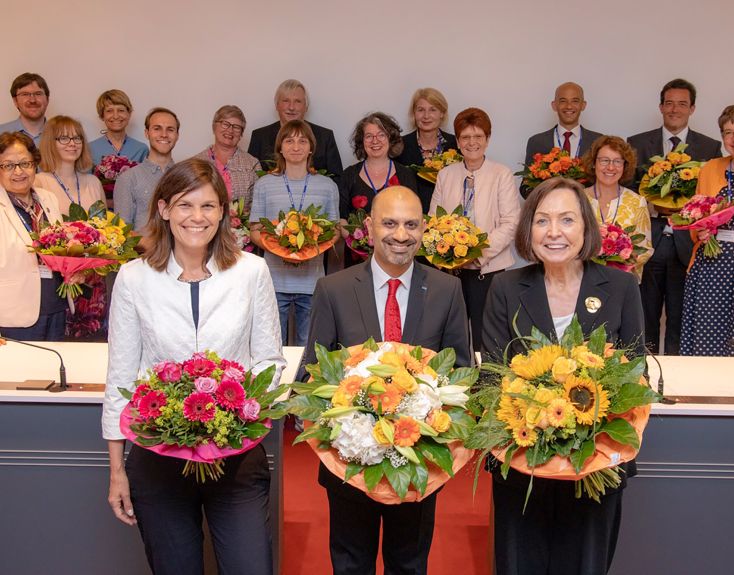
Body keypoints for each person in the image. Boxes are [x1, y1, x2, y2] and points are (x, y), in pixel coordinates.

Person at [102, 158, 285, 575]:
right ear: (164, 209)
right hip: (158, 457)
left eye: (207, 206)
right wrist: (116, 470)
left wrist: (241, 410)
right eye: (185, 205)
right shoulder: (133, 278)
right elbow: (122, 377)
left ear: (223, 211)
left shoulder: (251, 271)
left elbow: (270, 361)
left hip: (237, 456)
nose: (196, 217)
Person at [302, 185, 471, 575]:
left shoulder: (447, 290)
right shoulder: (335, 289)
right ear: (369, 226)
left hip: (419, 464)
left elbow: (460, 375)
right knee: (350, 563)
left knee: (409, 564)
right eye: (390, 223)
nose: (400, 234)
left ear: (424, 228)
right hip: (348, 460)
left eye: (411, 224)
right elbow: (313, 373)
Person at [483, 177, 644, 575]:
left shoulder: (621, 287)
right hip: (521, 467)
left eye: (567, 220)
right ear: (528, 229)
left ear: (587, 228)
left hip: (596, 465)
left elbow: (632, 380)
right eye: (542, 221)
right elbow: (490, 380)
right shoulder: (504, 287)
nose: (554, 232)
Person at [628, 78, 722, 355]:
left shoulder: (709, 148)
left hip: (687, 242)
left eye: (682, 104)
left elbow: (712, 197)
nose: (674, 109)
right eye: (669, 103)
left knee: (682, 317)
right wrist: (655, 205)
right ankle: (644, 376)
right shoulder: (637, 143)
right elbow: (630, 191)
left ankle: (677, 379)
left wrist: (686, 212)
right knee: (645, 315)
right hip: (650, 240)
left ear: (692, 108)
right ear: (660, 106)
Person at [429, 107, 522, 346]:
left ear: (487, 139)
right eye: (466, 137)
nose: (472, 142)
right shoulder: (445, 175)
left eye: (478, 136)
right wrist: (450, 255)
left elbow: (511, 222)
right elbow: (434, 222)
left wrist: (477, 253)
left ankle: (486, 382)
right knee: (452, 337)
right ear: (458, 141)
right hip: (451, 273)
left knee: (487, 338)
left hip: (489, 271)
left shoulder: (501, 174)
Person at [681, 103, 734, 357]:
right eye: (728, 132)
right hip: (711, 267)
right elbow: (695, 216)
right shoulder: (710, 169)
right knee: (709, 338)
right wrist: (700, 232)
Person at [249, 119, 339, 346]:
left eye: (302, 141)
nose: (296, 146)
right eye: (289, 141)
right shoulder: (265, 184)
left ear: (311, 147)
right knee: (271, 347)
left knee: (307, 348)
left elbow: (335, 231)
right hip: (274, 282)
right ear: (280, 147)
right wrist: (282, 249)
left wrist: (309, 248)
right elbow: (254, 231)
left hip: (311, 283)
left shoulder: (327, 185)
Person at [0, 132, 66, 340]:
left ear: (35, 164)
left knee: (53, 371)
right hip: (13, 314)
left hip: (56, 305)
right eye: (9, 165)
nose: (18, 171)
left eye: (25, 163)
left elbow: (60, 248)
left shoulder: (48, 199)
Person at [339, 112, 418, 266]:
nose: (375, 141)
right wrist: (359, 244)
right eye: (369, 136)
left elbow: (413, 218)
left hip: (397, 256)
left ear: (390, 138)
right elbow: (341, 219)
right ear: (362, 142)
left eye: (381, 135)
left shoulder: (406, 175)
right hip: (357, 260)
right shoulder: (349, 175)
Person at [582, 135, 653, 280]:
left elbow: (644, 250)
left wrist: (617, 267)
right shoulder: (578, 199)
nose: (610, 167)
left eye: (617, 161)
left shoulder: (637, 202)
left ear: (625, 166)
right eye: (604, 160)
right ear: (593, 163)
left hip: (621, 283)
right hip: (582, 280)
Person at [247, 79, 343, 178]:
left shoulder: (325, 137)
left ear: (306, 107)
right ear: (277, 105)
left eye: (298, 101)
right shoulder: (259, 137)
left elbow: (337, 179)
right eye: (286, 101)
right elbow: (250, 178)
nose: (291, 107)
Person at [523, 82, 602, 198]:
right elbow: (525, 186)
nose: (569, 106)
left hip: (589, 211)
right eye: (563, 101)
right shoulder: (536, 141)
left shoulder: (598, 141)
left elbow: (606, 182)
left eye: (575, 101)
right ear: (554, 105)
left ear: (583, 105)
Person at [114, 107, 179, 234]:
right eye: (157, 128)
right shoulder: (128, 178)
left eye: (170, 129)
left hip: (182, 253)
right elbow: (121, 232)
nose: (164, 134)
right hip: (143, 253)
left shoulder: (185, 177)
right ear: (146, 133)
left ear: (177, 135)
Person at [395, 87, 458, 212]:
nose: (426, 116)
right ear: (414, 113)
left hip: (449, 219)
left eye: (433, 110)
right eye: (420, 110)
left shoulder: (456, 144)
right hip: (409, 216)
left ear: (442, 113)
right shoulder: (399, 145)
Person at [194, 105, 261, 214]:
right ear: (214, 127)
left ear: (241, 134)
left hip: (242, 229)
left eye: (236, 127)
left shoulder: (252, 164)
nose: (230, 130)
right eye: (225, 124)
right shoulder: (196, 162)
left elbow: (258, 204)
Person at [35, 116, 106, 213]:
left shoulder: (94, 182)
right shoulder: (38, 182)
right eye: (64, 138)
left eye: (77, 138)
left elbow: (107, 225)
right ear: (50, 143)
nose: (72, 143)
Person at [88, 89, 149, 168]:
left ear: (129, 114)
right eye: (109, 111)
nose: (116, 116)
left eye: (121, 110)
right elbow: (84, 179)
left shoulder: (141, 149)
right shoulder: (90, 149)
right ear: (102, 116)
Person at [0, 73, 50, 146]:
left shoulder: (63, 136)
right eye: (25, 94)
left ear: (47, 99)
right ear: (15, 101)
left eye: (38, 94)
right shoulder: (1, 134)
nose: (32, 100)